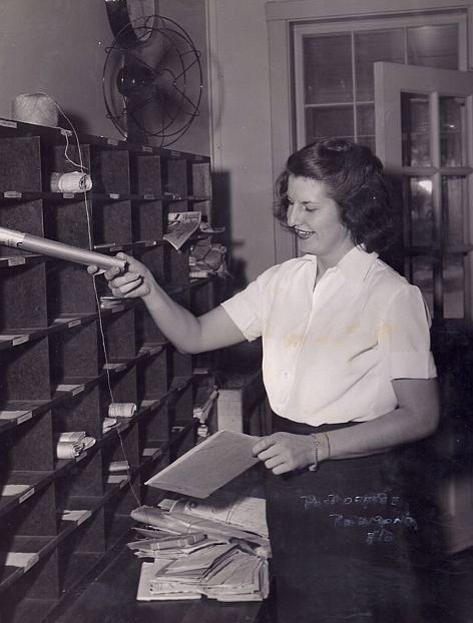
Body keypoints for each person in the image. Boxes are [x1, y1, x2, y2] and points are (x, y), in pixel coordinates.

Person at [89, 138, 441, 622]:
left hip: (355, 482)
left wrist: (316, 446)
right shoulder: (282, 282)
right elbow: (193, 335)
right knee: (296, 608)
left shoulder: (391, 296)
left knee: (351, 611)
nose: (293, 218)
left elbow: (420, 415)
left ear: (354, 211)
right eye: (291, 202)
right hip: (287, 472)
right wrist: (149, 288)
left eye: (310, 207)